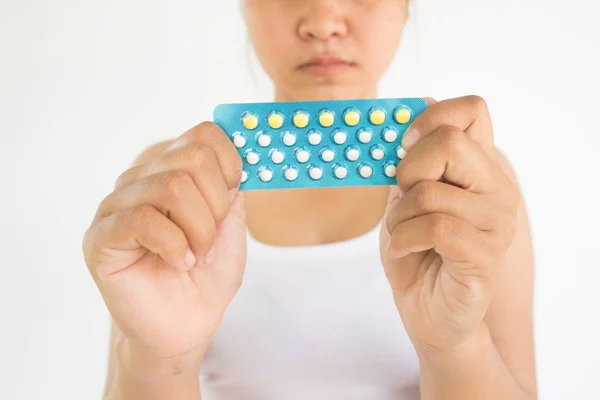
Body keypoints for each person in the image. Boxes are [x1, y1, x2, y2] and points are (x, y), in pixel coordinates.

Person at [82, 1, 537, 399]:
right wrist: (158, 360)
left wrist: (455, 347)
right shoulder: (168, 187)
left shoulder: (472, 187)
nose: (322, 21)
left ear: (406, 8)